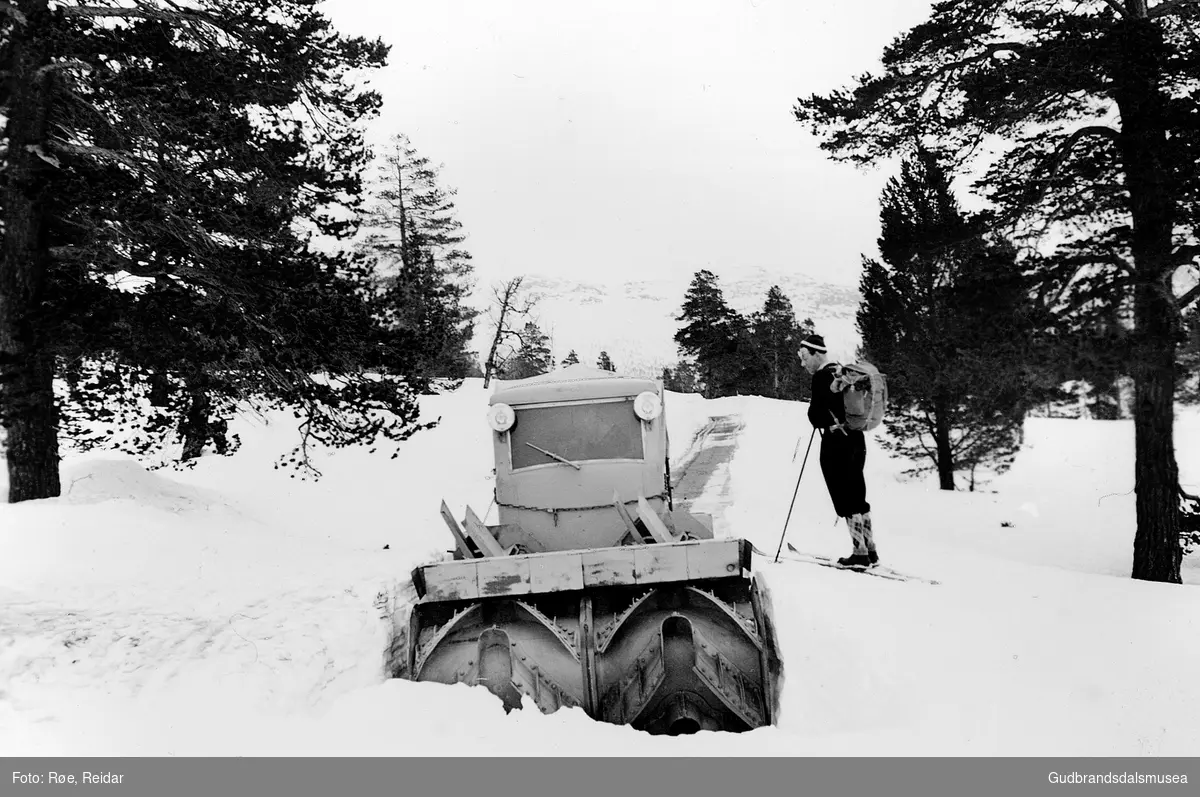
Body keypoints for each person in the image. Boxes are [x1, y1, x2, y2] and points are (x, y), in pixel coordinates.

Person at [798, 333, 877, 567]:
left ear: (815, 354)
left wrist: (817, 414)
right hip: (855, 438)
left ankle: (859, 553)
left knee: (844, 497)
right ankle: (870, 550)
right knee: (857, 494)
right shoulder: (842, 371)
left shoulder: (822, 376)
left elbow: (815, 415)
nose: (803, 364)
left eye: (804, 358)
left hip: (835, 442)